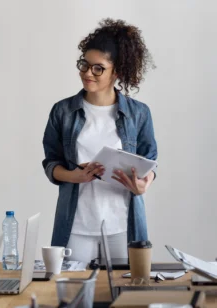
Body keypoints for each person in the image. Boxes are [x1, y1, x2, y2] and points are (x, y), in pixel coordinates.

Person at [42, 19, 157, 263]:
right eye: (84, 64)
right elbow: (51, 162)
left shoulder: (139, 113)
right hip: (76, 224)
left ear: (116, 71)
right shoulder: (62, 112)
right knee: (72, 297)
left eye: (98, 68)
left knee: (125, 297)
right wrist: (75, 176)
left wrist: (144, 184)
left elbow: (150, 161)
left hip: (123, 224)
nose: (86, 73)